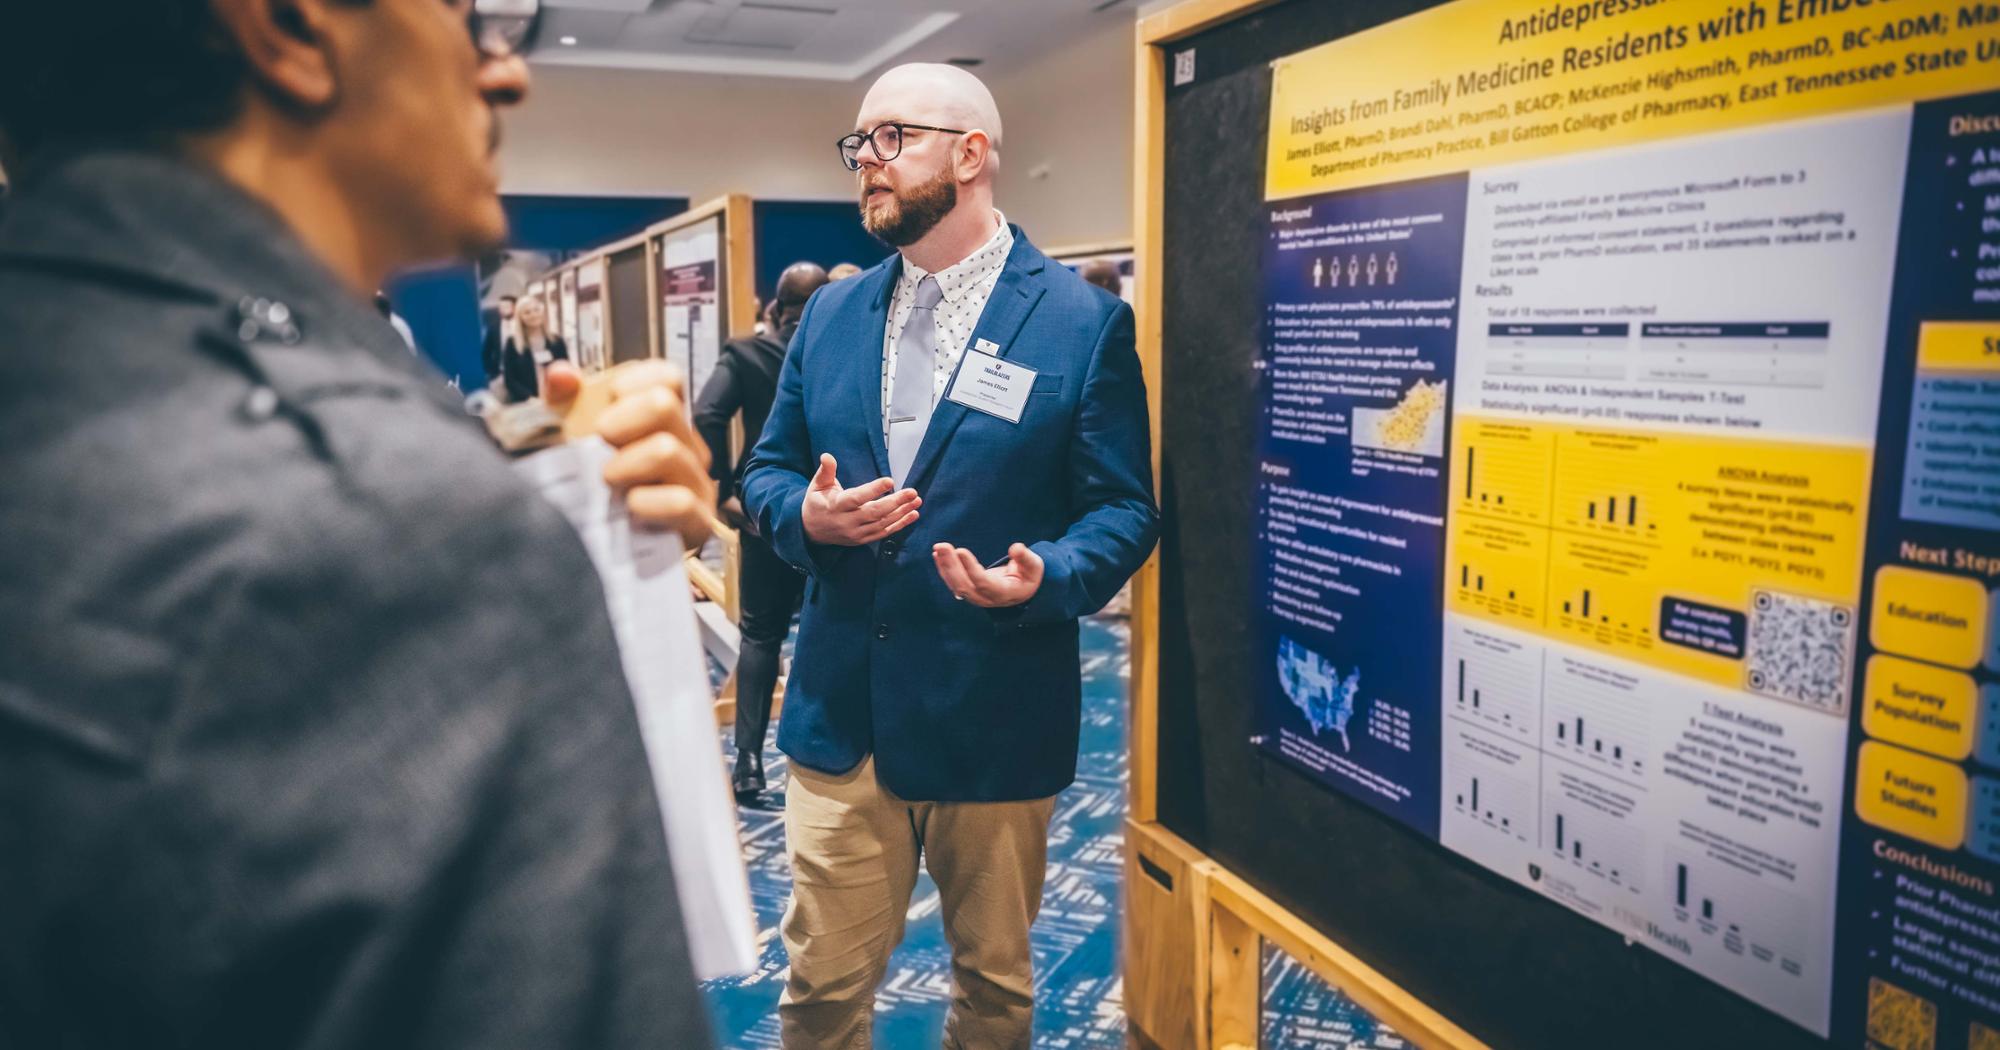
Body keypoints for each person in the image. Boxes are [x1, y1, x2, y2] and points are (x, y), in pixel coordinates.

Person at [0, 2, 719, 1047]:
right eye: (463, 18)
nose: (505, 76)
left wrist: (507, 463)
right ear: (290, 25)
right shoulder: (398, 533)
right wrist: (466, 511)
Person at [741, 62, 1159, 1049]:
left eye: (891, 138)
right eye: (858, 146)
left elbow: (1122, 510)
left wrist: (1045, 576)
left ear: (972, 154)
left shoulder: (1077, 321)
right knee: (817, 991)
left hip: (994, 708)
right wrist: (805, 518)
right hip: (843, 719)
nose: (865, 167)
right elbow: (765, 472)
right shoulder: (831, 318)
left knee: (995, 991)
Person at [692, 261, 829, 800]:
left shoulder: (745, 353)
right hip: (831, 511)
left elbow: (706, 414)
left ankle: (748, 762)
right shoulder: (836, 346)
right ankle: (821, 760)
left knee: (760, 633)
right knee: (828, 628)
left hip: (763, 509)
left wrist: (725, 489)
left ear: (774, 305)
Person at [501, 292, 568, 401]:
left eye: (536, 310)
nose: (533, 315)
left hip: (555, 399)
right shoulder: (512, 343)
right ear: (520, 318)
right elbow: (510, 380)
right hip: (527, 404)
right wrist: (529, 398)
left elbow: (566, 371)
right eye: (527, 312)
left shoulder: (557, 341)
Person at [483, 292, 517, 382]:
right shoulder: (493, 328)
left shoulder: (523, 326)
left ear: (514, 308)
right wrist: (492, 372)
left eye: (506, 307)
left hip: (521, 374)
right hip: (500, 374)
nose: (502, 310)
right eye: (501, 307)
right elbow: (486, 352)